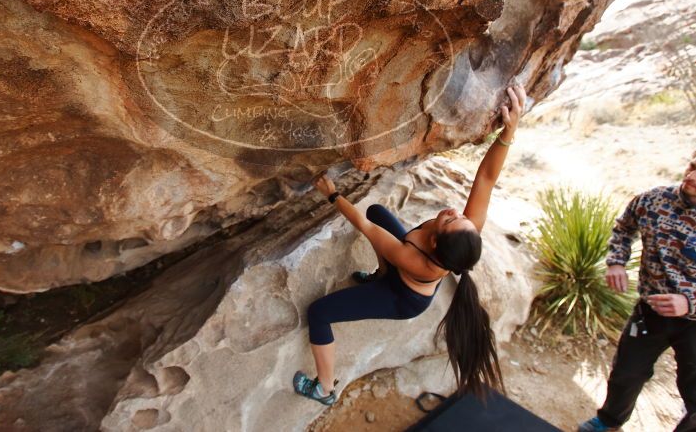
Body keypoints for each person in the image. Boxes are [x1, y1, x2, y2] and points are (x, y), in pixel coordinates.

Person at [292, 84, 527, 405]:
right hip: (399, 270)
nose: (453, 212)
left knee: (319, 312)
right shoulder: (463, 231)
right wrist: (509, 132)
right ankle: (379, 276)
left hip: (401, 298)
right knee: (378, 211)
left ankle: (324, 389)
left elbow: (362, 224)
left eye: (448, 220)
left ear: (433, 242)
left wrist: (332, 193)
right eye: (459, 217)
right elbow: (485, 178)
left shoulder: (414, 258)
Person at [579, 151, 696, 432]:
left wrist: (690, 302)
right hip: (650, 312)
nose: (692, 176)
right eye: (693, 165)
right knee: (626, 374)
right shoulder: (654, 200)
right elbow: (623, 228)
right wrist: (616, 262)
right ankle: (608, 422)